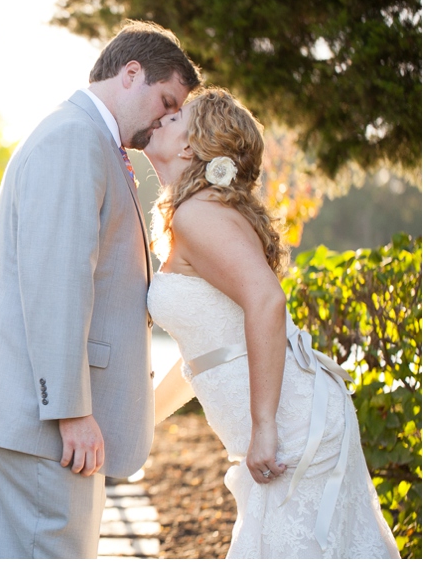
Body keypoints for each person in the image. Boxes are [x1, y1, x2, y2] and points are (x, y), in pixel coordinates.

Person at [0, 19, 201, 559]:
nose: (165, 121)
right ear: (131, 73)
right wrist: (71, 413)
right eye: (166, 101)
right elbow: (57, 282)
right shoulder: (75, 140)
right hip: (36, 420)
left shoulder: (85, 138)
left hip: (23, 413)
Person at [145, 87, 401, 558]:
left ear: (190, 145)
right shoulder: (199, 214)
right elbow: (208, 356)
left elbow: (267, 302)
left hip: (292, 430)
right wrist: (140, 423)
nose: (162, 116)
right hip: (292, 425)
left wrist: (264, 426)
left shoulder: (198, 214)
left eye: (176, 115)